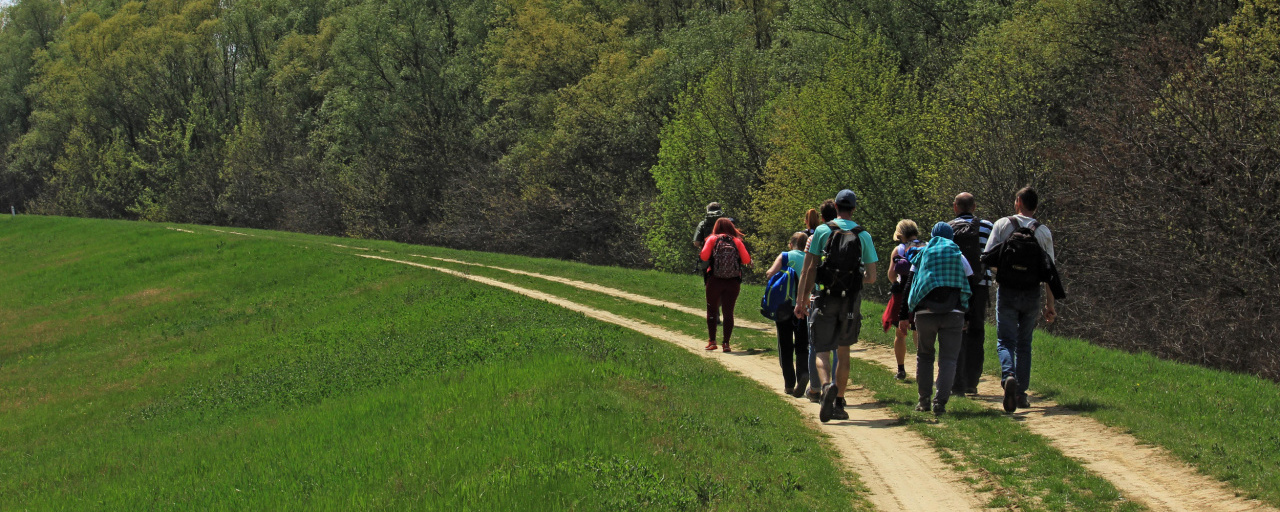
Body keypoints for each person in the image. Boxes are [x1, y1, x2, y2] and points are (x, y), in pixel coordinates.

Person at [794, 189, 878, 423]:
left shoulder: (822, 230)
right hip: (850, 301)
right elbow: (871, 276)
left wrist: (801, 301)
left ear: (836, 207)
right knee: (844, 351)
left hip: (824, 298)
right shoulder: (863, 235)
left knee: (822, 350)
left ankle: (826, 386)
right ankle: (839, 401)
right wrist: (852, 278)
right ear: (853, 208)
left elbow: (808, 270)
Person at [983, 186, 1057, 413]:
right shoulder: (1043, 232)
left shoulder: (1003, 225)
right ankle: (1021, 394)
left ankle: (1008, 376)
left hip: (1007, 291)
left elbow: (987, 258)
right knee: (1025, 344)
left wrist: (1005, 272)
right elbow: (1050, 273)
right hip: (1032, 293)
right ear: (1035, 206)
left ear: (1018, 202)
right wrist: (1050, 305)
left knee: (1005, 341)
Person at [907, 222, 973, 416]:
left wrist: (906, 315)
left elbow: (910, 284)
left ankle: (923, 401)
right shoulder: (959, 256)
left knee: (925, 356)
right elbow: (969, 286)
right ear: (951, 236)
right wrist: (967, 315)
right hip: (954, 313)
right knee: (949, 359)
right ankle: (940, 403)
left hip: (925, 313)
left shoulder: (922, 254)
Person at [948, 193, 995, 396]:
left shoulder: (947, 228)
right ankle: (972, 382)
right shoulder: (987, 227)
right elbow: (991, 255)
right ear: (974, 207)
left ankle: (956, 381)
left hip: (955, 286)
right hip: (980, 284)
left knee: (956, 330)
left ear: (955, 207)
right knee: (977, 331)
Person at [765, 232, 810, 397]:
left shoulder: (785, 256)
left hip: (784, 306)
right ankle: (803, 373)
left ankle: (789, 384)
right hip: (804, 306)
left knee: (785, 344)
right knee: (802, 343)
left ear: (791, 244)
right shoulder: (809, 258)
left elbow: (770, 273)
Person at [803, 199, 839, 402]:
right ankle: (835, 385)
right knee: (837, 346)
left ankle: (816, 388)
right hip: (843, 295)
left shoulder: (817, 234)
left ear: (822, 217)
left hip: (820, 294)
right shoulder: (854, 233)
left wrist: (803, 298)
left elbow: (809, 268)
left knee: (816, 344)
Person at [700, 217, 751, 352]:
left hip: (715, 279)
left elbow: (704, 257)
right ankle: (726, 344)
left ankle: (712, 341)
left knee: (712, 309)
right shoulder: (736, 241)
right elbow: (746, 260)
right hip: (733, 281)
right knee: (728, 312)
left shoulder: (712, 239)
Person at [885, 220, 926, 380]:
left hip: (904, 294)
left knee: (900, 333)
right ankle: (922, 366)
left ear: (900, 234)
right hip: (921, 293)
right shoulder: (927, 246)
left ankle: (901, 369)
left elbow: (891, 274)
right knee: (919, 331)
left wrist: (896, 284)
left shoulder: (899, 249)